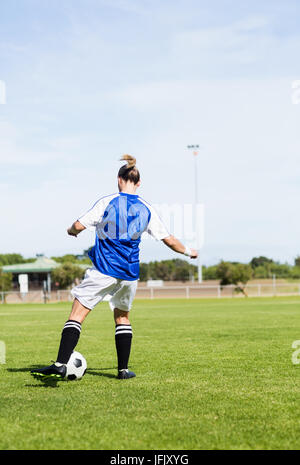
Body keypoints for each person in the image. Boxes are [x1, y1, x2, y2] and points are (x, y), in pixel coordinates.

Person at [31, 155, 198, 381]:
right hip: (129, 274)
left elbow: (78, 226)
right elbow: (169, 240)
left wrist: (72, 230)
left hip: (104, 268)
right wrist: (189, 251)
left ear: (119, 179)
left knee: (77, 313)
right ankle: (123, 370)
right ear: (138, 183)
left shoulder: (107, 202)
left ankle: (61, 364)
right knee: (122, 317)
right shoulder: (146, 208)